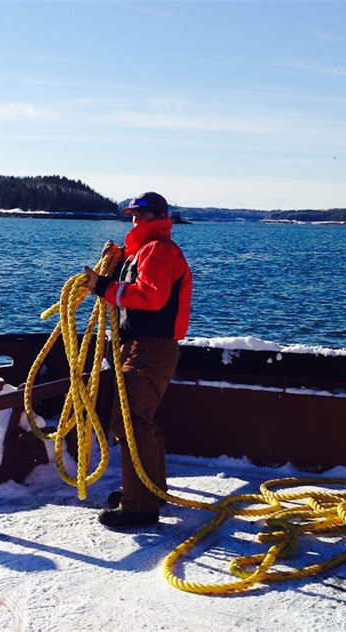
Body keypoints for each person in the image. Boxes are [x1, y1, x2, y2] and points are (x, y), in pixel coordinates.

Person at [84, 192, 192, 529]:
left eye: (142, 216)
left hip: (150, 348)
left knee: (130, 423)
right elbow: (133, 287)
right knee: (137, 421)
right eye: (132, 215)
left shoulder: (159, 250)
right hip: (139, 346)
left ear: (158, 216)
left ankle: (140, 508)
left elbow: (151, 297)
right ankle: (149, 491)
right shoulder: (142, 252)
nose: (135, 221)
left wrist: (102, 285)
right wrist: (114, 267)